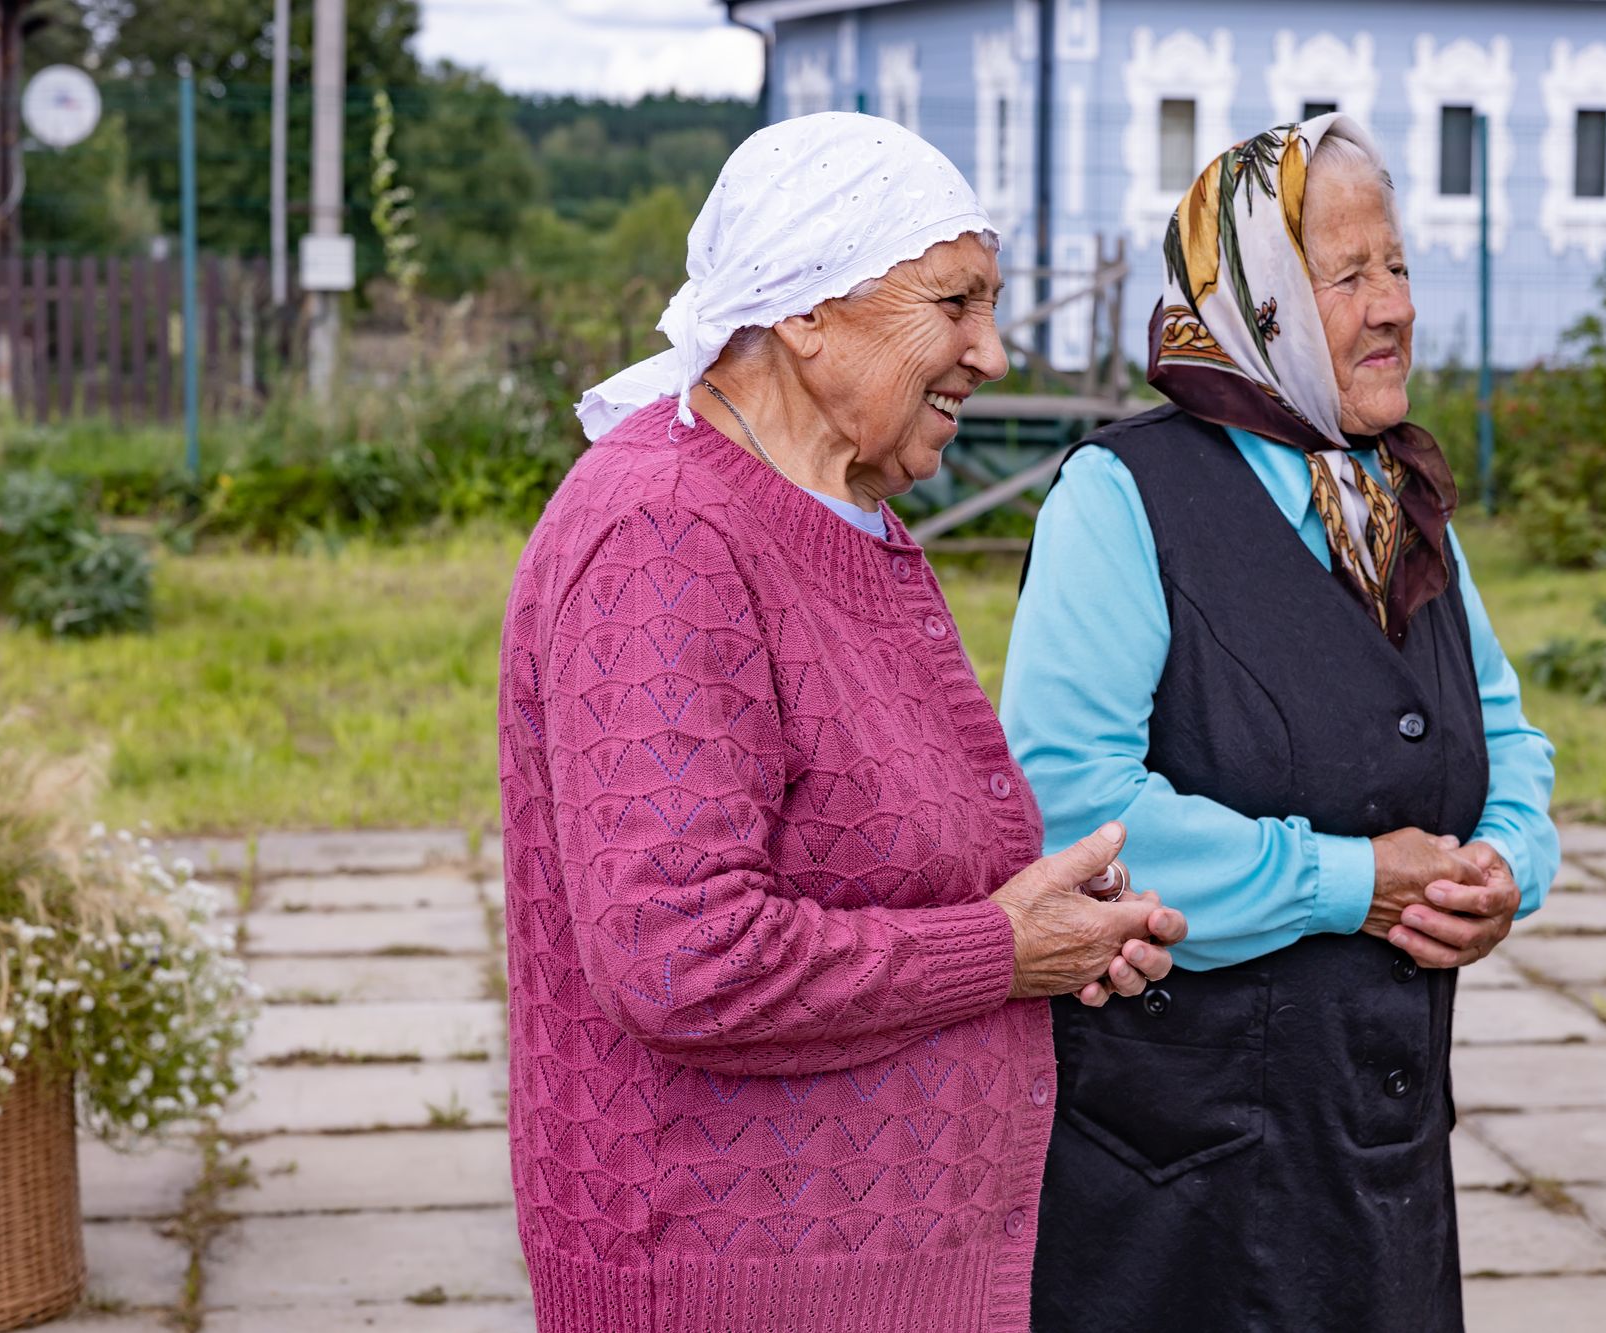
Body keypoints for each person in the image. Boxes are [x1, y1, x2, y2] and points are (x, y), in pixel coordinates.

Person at [495, 112, 1186, 1333]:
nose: (990, 350)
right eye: (954, 302)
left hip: (871, 1273)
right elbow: (681, 956)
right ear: (806, 310)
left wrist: (1053, 923)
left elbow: (876, 852)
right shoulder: (665, 533)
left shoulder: (834, 509)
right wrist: (999, 949)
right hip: (735, 1282)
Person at [1003, 114, 1559, 1331]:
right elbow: (1072, 808)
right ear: (1249, 302)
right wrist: (1347, 881)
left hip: (1380, 1161)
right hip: (1181, 1178)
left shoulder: (1394, 501)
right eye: (1344, 276)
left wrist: (1507, 866)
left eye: (1396, 264)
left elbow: (1505, 735)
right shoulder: (1123, 497)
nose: (1392, 306)